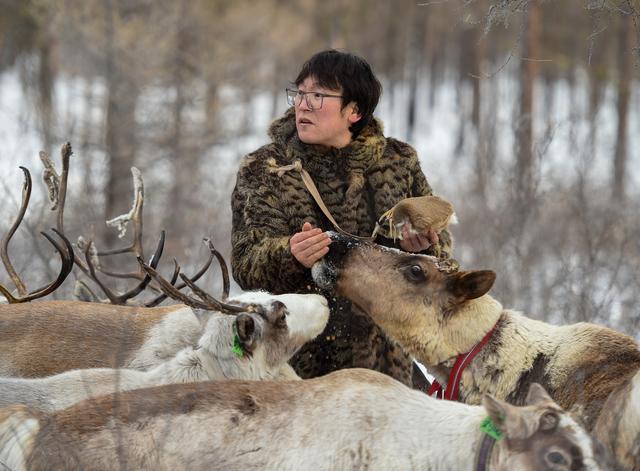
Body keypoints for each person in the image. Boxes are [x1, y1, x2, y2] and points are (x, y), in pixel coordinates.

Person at [231, 49, 453, 387]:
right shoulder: (266, 169)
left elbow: (443, 261)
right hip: (296, 374)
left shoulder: (399, 162)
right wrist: (289, 254)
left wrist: (425, 246)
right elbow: (246, 266)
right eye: (300, 93)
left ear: (354, 111)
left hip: (387, 373)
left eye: (318, 95)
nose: (302, 105)